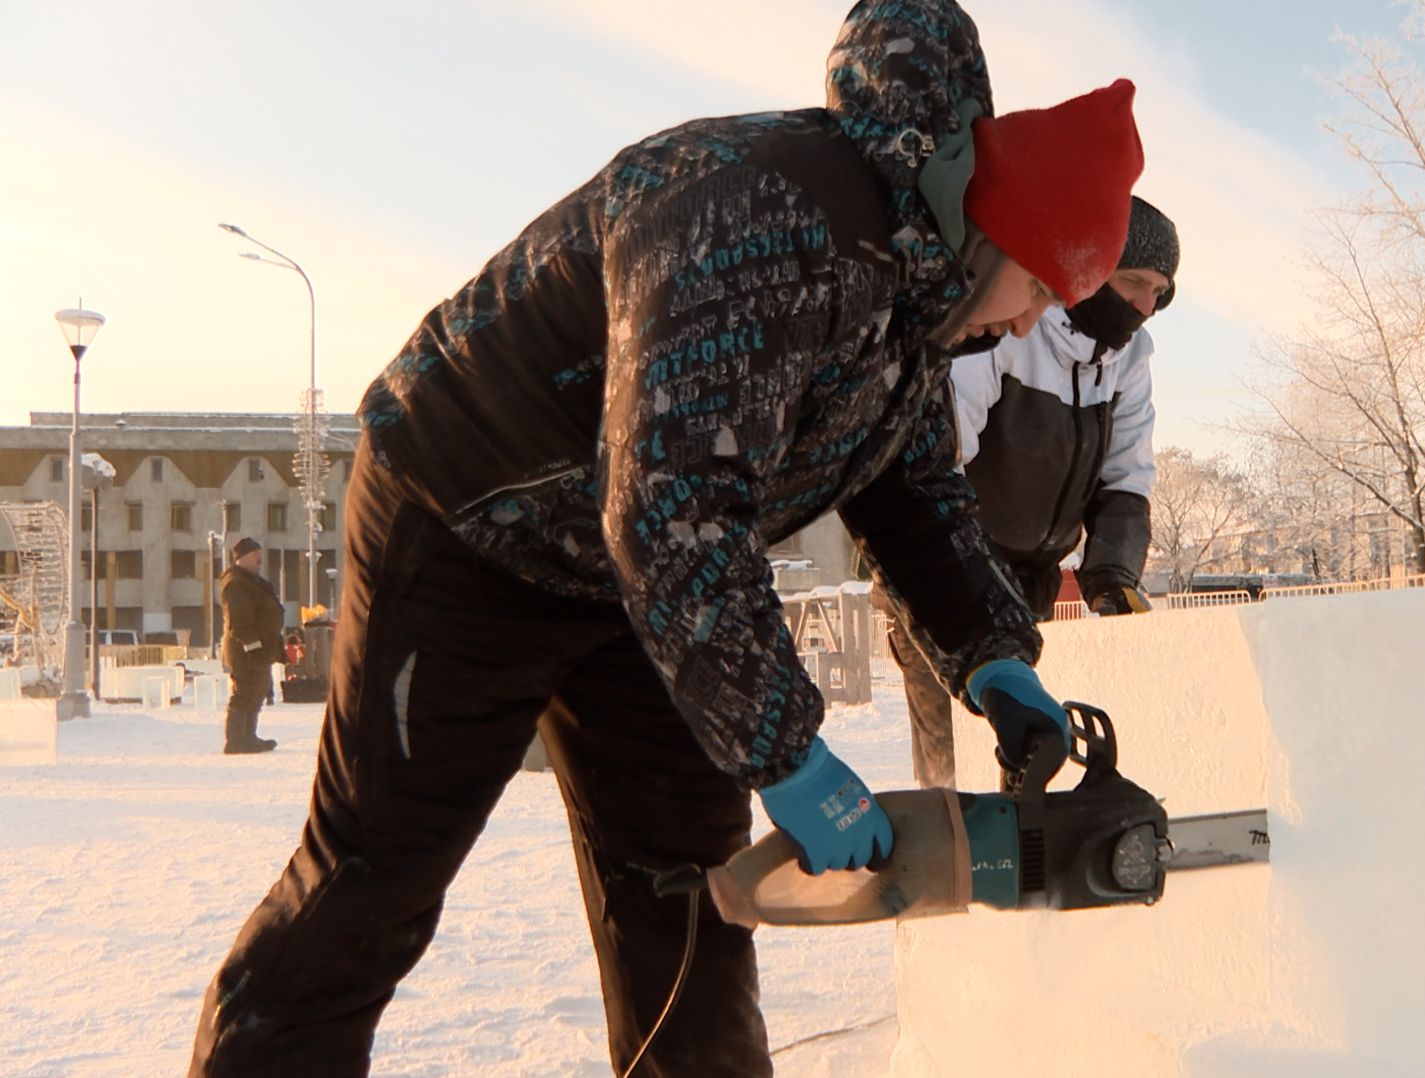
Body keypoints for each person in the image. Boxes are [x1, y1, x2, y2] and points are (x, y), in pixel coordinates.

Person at [188, 2, 1144, 1075]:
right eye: (1036, 291)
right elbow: (672, 508)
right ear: (994, 236)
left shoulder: (913, 310)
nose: (1028, 323)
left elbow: (912, 490)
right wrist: (786, 749)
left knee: (688, 901)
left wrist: (995, 655)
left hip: (635, 587)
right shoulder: (755, 212)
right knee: (377, 876)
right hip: (466, 521)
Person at [880, 197, 1178, 788]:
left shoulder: (1130, 359)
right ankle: (953, 874)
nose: (1146, 306)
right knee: (953, 775)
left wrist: (1113, 576)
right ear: (1088, 275)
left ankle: (1013, 869)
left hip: (1031, 589)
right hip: (943, 577)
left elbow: (1127, 474)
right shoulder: (1009, 325)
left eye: (1160, 292)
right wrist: (975, 584)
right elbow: (939, 462)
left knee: (1027, 756)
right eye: (1133, 281)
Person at [217, 536, 285, 755]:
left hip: (260, 650)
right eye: (256, 556)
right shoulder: (235, 583)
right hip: (246, 651)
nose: (260, 560)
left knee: (258, 691)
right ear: (243, 557)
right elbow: (240, 620)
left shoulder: (252, 580)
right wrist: (252, 646)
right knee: (245, 692)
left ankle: (249, 736)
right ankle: (236, 740)